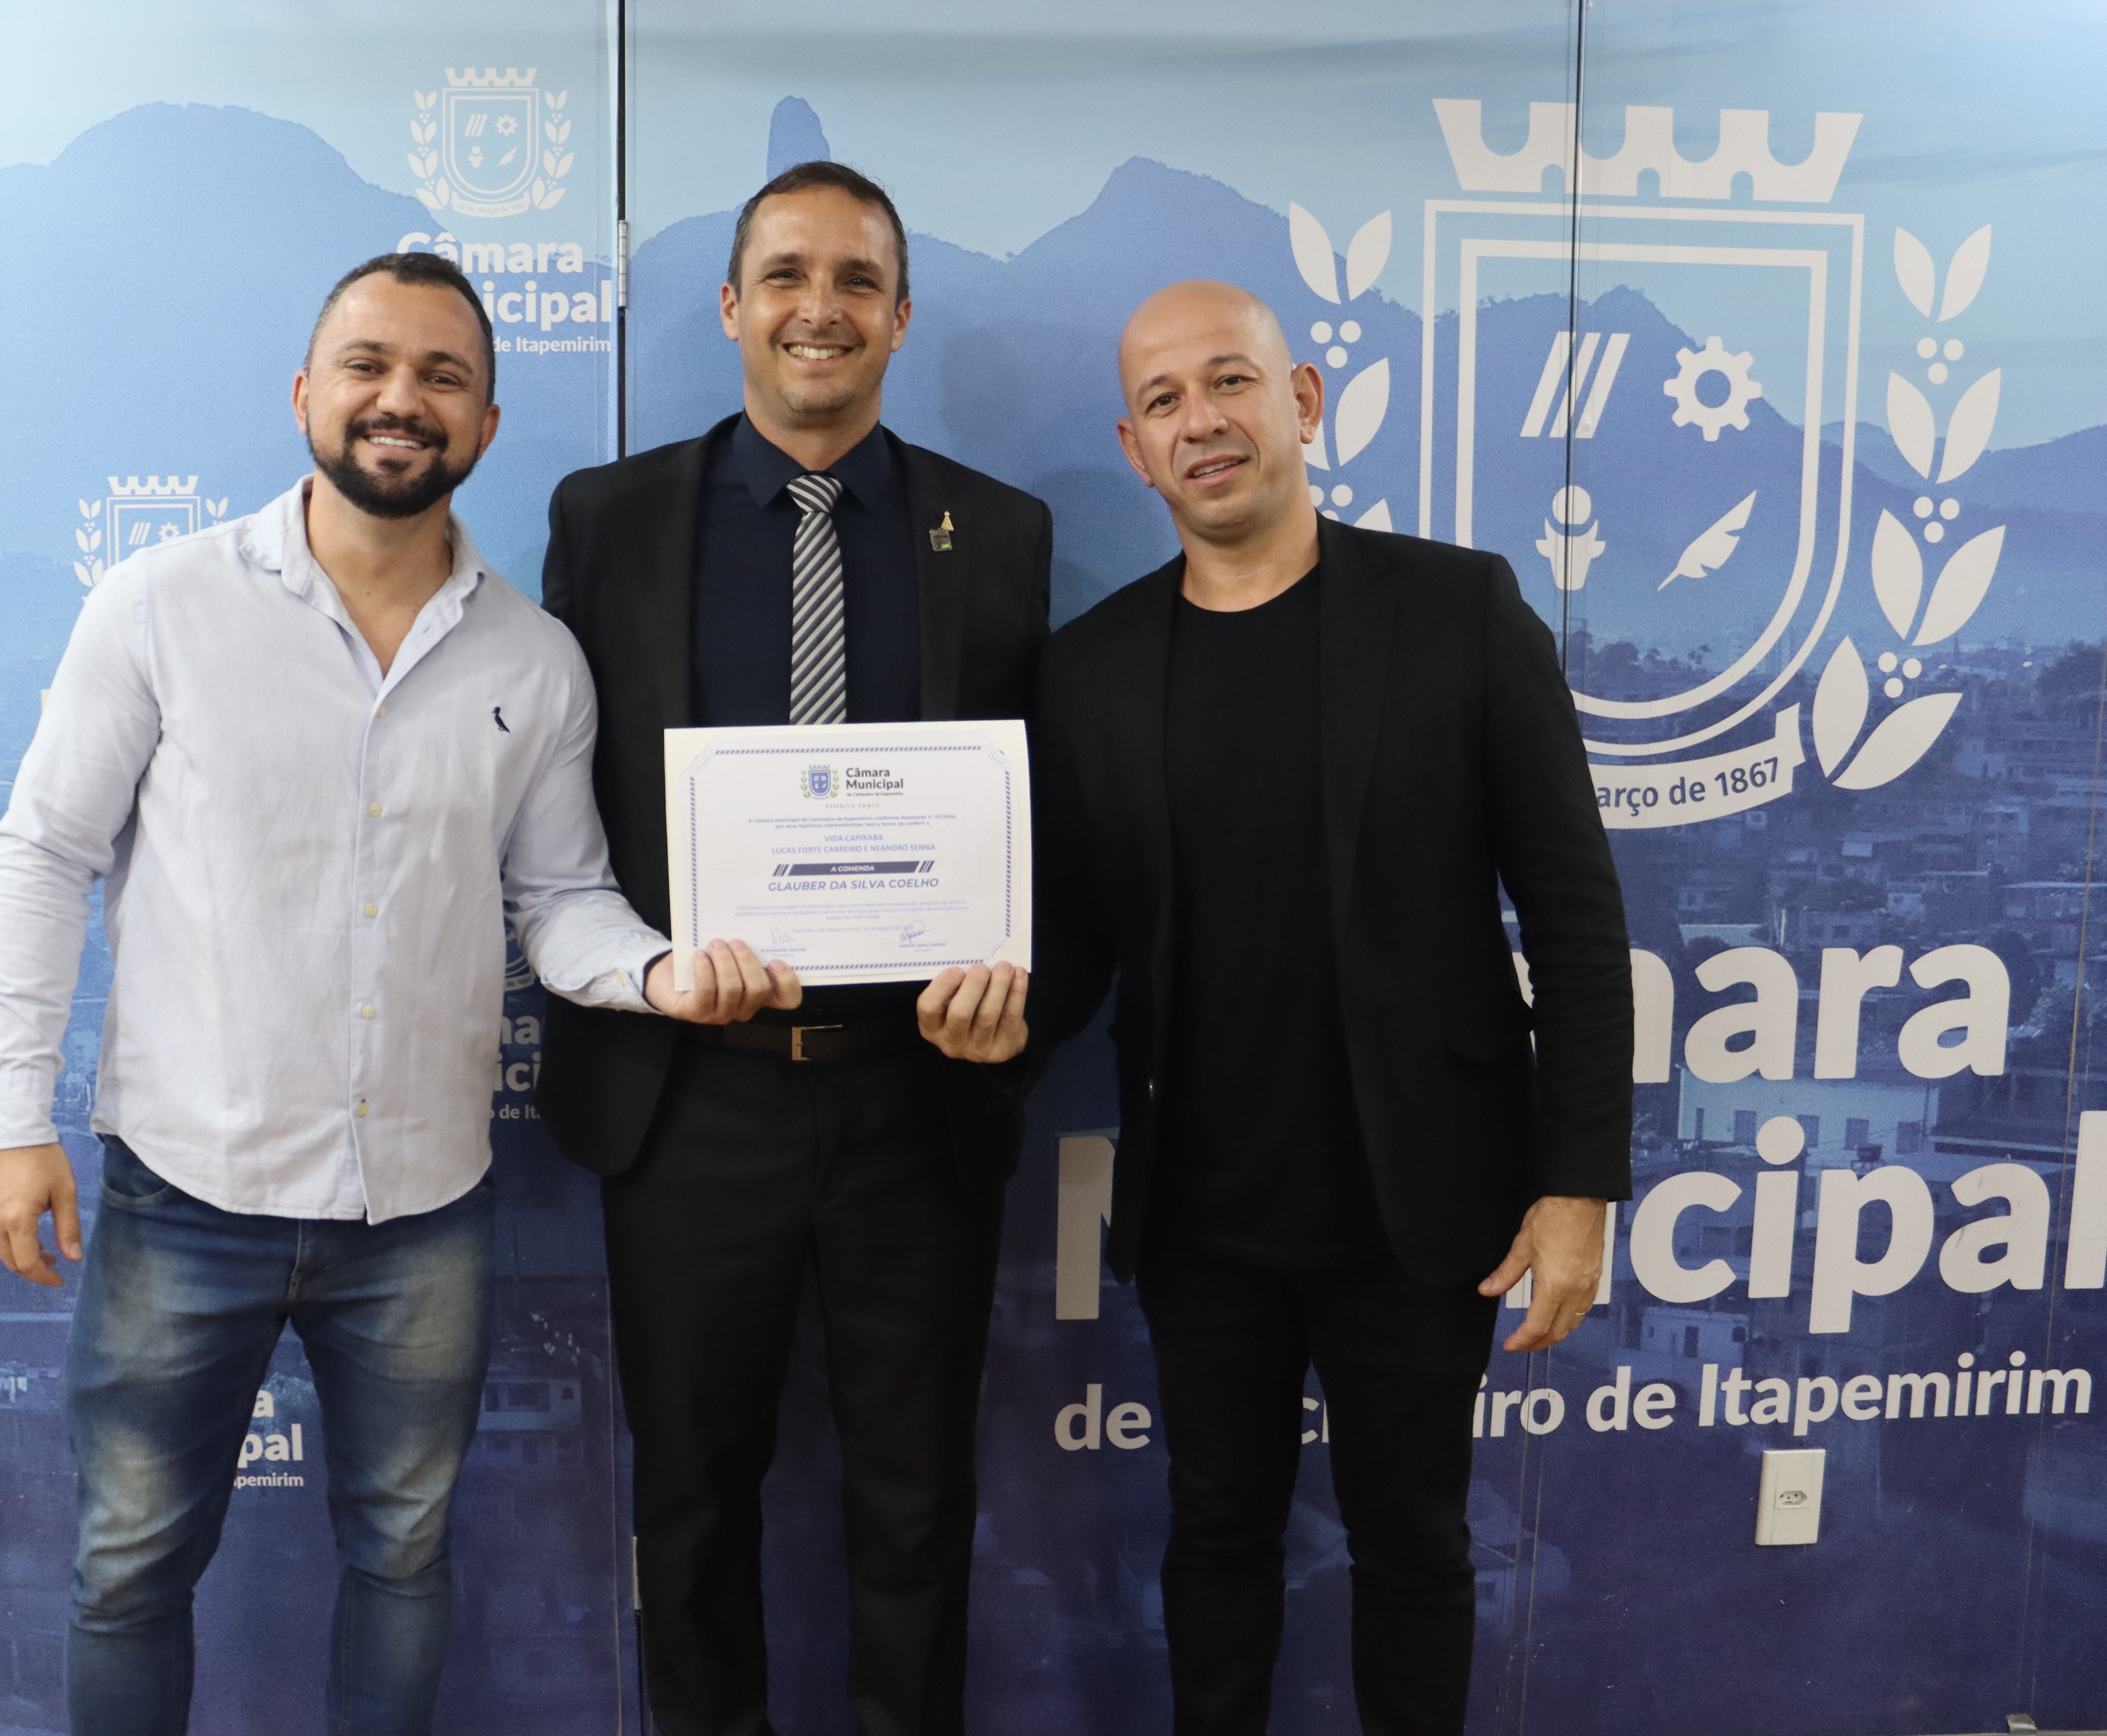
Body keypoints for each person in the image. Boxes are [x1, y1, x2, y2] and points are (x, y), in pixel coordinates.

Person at [0, 251, 788, 1736]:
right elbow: (44, 856)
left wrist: (661, 970)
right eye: (368, 365)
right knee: (129, 1567)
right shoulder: (159, 605)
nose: (401, 398)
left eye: (442, 376)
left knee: (403, 1559)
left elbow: (560, 904)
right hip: (185, 1193)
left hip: (421, 1209)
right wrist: (13, 1118)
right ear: (306, 392)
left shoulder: (536, 659)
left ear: (485, 423)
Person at [1026, 280, 1634, 1735]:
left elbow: (1575, 916)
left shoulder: (1458, 610)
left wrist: (1577, 1187)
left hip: (1419, 1208)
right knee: (1215, 1540)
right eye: (1164, 401)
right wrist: (976, 1010)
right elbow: (1078, 947)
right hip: (1202, 1217)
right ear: (1135, 449)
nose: (1201, 421)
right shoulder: (1092, 667)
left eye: (1228, 382)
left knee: (1414, 1546)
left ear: (1300, 399)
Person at [537, 161, 1044, 1736]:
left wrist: (1014, 985)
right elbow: (554, 815)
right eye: (785, 276)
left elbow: (1045, 819)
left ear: (900, 315)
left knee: (916, 1501)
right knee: (690, 1504)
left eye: (854, 280)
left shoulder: (999, 531)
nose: (817, 308)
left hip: (915, 1091)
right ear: (730, 307)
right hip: (691, 1093)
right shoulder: (609, 520)